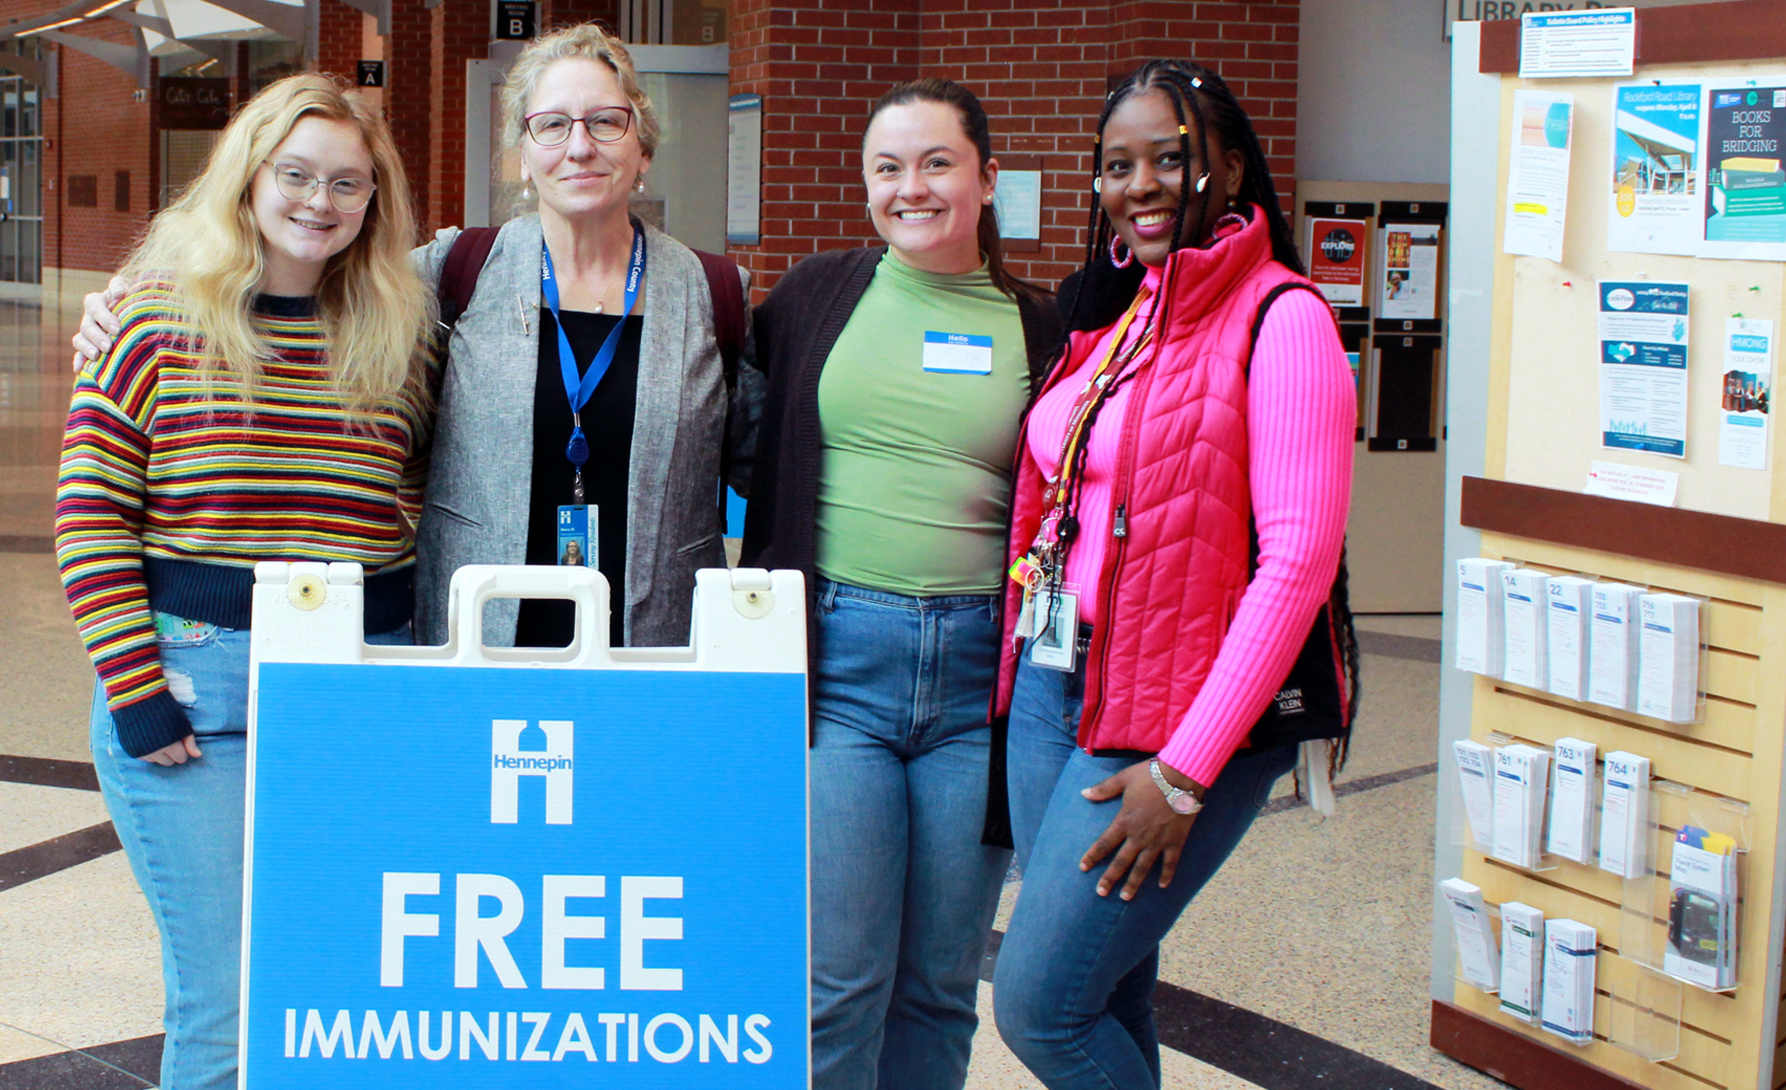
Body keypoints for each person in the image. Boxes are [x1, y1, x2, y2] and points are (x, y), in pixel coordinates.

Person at [72, 24, 749, 651]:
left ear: (644, 146)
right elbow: (312, 275)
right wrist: (132, 298)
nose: (580, 145)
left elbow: (765, 460)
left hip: (657, 646)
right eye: (552, 125)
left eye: (607, 121)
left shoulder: (713, 293)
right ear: (522, 152)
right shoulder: (453, 273)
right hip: (477, 636)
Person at [54, 74, 428, 1090]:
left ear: (373, 201)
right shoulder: (155, 323)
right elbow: (89, 516)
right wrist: (133, 690)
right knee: (226, 1004)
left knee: (342, 995)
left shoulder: (396, 335)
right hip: (195, 692)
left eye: (347, 184)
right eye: (295, 175)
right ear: (247, 179)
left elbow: (436, 496)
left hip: (358, 687)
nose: (320, 201)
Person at [988, 61, 1354, 1090]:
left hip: (1176, 721)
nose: (1138, 184)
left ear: (1230, 171)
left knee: (1038, 1008)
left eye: (1168, 158)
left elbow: (1294, 565)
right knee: (1107, 991)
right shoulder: (1122, 319)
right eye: (1116, 165)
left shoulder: (1283, 322)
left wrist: (1184, 771)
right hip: (1059, 686)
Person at [741, 79, 1062, 1090]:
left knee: (937, 983)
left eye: (935, 163)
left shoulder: (1041, 329)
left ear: (986, 177)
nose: (909, 187)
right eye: (888, 167)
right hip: (835, 668)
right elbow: (739, 440)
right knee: (834, 982)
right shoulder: (811, 297)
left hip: (980, 686)